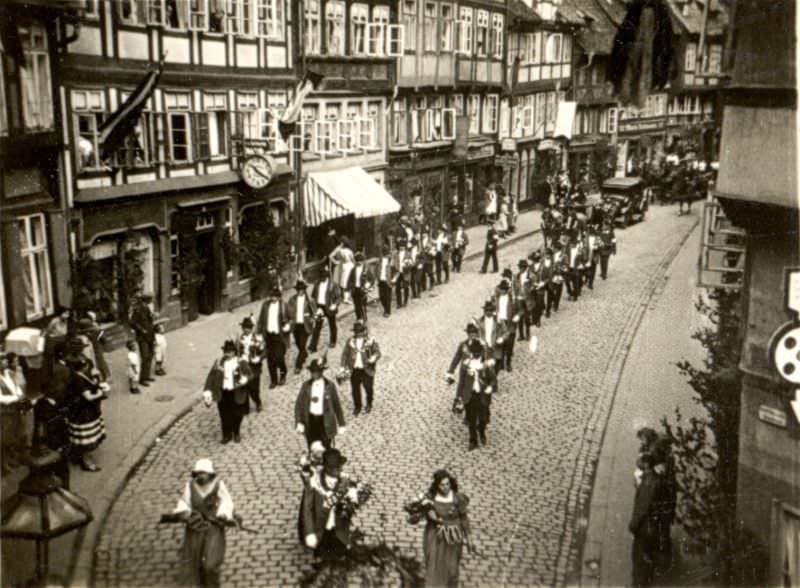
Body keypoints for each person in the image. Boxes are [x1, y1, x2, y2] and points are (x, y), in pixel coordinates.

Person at [171, 458, 235, 588]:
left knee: (210, 564)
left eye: (203, 473)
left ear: (210, 474)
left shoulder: (218, 485)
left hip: (213, 528)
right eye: (198, 473)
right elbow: (184, 502)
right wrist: (183, 511)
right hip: (195, 528)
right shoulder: (190, 485)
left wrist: (223, 513)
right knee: (195, 562)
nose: (200, 476)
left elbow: (227, 502)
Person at [300, 448, 352, 560]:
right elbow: (307, 509)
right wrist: (310, 533)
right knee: (322, 563)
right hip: (321, 532)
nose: (340, 469)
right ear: (328, 468)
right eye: (337, 467)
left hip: (339, 533)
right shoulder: (314, 483)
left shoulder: (345, 481)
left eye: (340, 466)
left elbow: (348, 509)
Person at [64, 338, 107, 471]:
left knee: (86, 430)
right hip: (81, 404)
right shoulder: (71, 364)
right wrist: (99, 392)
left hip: (89, 401)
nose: (83, 349)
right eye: (81, 347)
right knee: (85, 433)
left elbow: (92, 369)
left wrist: (95, 376)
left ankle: (79, 455)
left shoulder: (83, 359)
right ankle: (86, 460)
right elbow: (82, 390)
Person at [422, 470, 471, 586]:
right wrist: (431, 515)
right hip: (436, 537)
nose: (445, 487)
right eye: (442, 485)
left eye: (447, 484)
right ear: (437, 485)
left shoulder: (457, 498)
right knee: (435, 567)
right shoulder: (431, 498)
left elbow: (464, 518)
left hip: (453, 538)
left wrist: (469, 538)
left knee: (452, 569)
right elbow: (427, 512)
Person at [201, 340, 252, 444]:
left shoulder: (241, 362)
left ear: (234, 352)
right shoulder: (219, 362)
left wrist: (244, 380)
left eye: (230, 351)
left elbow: (250, 374)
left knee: (238, 414)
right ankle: (226, 435)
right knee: (224, 415)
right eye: (226, 351)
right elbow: (211, 376)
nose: (228, 354)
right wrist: (208, 391)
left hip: (236, 393)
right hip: (223, 393)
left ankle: (236, 432)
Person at [629, 452, 665, 588]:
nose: (638, 464)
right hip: (653, 526)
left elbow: (642, 508)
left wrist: (633, 525)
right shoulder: (654, 479)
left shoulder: (648, 483)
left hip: (645, 528)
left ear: (646, 464)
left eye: (641, 462)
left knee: (639, 559)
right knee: (646, 557)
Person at [32, 368, 72, 489]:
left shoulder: (56, 401)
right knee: (59, 471)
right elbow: (46, 428)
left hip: (61, 441)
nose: (59, 389)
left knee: (63, 470)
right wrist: (59, 447)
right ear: (49, 391)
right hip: (53, 445)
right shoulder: (42, 406)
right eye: (55, 388)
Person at [294, 358, 346, 449]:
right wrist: (299, 422)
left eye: (317, 371)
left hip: (325, 421)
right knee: (312, 447)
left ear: (322, 372)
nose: (314, 374)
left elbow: (337, 405)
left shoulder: (330, 385)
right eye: (312, 372)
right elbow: (299, 405)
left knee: (326, 447)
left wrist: (341, 424)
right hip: (310, 421)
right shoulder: (306, 386)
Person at [457, 339, 495, 450]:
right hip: (470, 395)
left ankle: (482, 432)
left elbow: (493, 380)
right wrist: (459, 397)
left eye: (478, 353)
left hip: (483, 395)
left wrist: (490, 387)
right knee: (471, 419)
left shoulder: (487, 364)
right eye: (474, 353)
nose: (476, 355)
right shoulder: (466, 364)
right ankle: (472, 440)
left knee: (483, 418)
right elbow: (461, 381)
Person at [340, 320, 381, 416]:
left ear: (364, 331)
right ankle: (357, 406)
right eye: (357, 332)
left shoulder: (370, 341)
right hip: (354, 369)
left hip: (366, 369)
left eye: (361, 332)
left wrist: (372, 358)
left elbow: (377, 352)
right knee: (355, 389)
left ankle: (369, 403)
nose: (359, 334)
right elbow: (345, 355)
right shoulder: (350, 341)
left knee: (368, 388)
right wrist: (342, 367)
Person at [0, 350, 29, 472]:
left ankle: (10, 459)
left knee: (14, 435)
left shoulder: (9, 373)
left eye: (5, 360)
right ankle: (4, 464)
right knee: (4, 439)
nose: (5, 362)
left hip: (14, 410)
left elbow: (16, 386)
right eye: (2, 360)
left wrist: (19, 394)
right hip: (4, 411)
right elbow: (1, 398)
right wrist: (16, 398)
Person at [256, 287, 290, 388]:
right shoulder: (265, 305)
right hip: (268, 336)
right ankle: (273, 380)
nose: (274, 298)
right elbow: (261, 320)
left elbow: (291, 318)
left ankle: (283, 373)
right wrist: (258, 333)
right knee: (270, 359)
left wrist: (288, 326)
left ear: (279, 297)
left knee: (279, 357)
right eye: (272, 296)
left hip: (279, 336)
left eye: (276, 296)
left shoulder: (284, 306)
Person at [309, 267, 342, 352]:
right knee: (317, 327)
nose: (322, 278)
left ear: (327, 276)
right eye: (321, 277)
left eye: (323, 277)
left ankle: (333, 341)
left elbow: (339, 297)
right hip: (320, 307)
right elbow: (313, 296)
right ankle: (313, 346)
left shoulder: (333, 285)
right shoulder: (317, 283)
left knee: (332, 325)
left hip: (329, 307)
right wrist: (315, 308)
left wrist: (335, 305)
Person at [287, 280, 316, 375]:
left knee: (302, 345)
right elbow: (289, 311)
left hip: (305, 326)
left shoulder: (309, 300)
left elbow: (314, 313)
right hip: (296, 326)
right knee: (299, 344)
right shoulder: (292, 300)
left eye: (302, 289)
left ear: (304, 290)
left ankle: (298, 366)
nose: (300, 291)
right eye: (298, 289)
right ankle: (304, 354)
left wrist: (312, 318)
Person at [235, 317, 264, 411]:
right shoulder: (239, 339)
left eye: (248, 327)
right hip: (244, 366)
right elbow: (236, 352)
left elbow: (264, 351)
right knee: (245, 386)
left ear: (251, 328)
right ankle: (245, 407)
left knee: (254, 387)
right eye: (244, 327)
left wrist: (259, 358)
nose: (246, 329)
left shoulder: (257, 338)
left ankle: (258, 402)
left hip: (254, 366)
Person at [130, 292, 156, 387]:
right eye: (151, 299)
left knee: (150, 356)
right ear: (147, 299)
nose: (152, 300)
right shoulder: (138, 309)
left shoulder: (147, 308)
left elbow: (149, 320)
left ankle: (147, 376)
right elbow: (132, 322)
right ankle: (142, 379)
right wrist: (142, 330)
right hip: (142, 337)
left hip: (150, 335)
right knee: (145, 357)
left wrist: (153, 317)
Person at [476, 300, 506, 373]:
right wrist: (480, 339)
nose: (488, 312)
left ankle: (494, 378)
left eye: (490, 310)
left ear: (493, 311)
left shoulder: (499, 321)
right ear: (484, 311)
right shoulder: (480, 321)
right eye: (487, 310)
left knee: (496, 366)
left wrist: (502, 338)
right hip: (485, 347)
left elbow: (506, 332)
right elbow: (477, 333)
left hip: (496, 346)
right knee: (486, 366)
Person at [494, 280, 517, 372]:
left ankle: (508, 363)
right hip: (500, 323)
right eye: (501, 289)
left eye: (504, 289)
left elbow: (519, 310)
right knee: (501, 343)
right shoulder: (497, 298)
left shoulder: (512, 300)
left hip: (509, 323)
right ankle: (501, 363)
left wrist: (517, 317)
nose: (502, 291)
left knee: (509, 345)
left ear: (507, 290)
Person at [347, 253, 374, 323]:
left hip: (363, 290)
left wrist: (368, 285)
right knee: (356, 305)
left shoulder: (366, 269)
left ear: (362, 261)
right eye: (357, 261)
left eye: (360, 261)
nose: (359, 262)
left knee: (363, 305)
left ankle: (364, 319)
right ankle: (359, 318)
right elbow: (350, 279)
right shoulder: (353, 269)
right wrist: (349, 288)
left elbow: (372, 279)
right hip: (355, 289)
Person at [331, 237, 355, 304]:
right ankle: (346, 298)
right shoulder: (349, 251)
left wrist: (336, 261)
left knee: (343, 282)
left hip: (343, 266)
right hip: (349, 266)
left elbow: (331, 256)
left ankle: (344, 296)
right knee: (347, 282)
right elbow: (353, 260)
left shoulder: (339, 250)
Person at [528, 251, 548, 328]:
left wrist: (543, 283)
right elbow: (528, 277)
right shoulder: (530, 267)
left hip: (540, 289)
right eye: (534, 259)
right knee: (533, 304)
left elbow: (547, 278)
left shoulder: (544, 267)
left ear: (539, 259)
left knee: (539, 304)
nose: (535, 260)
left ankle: (538, 320)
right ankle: (533, 319)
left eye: (537, 259)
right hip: (532, 288)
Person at [565, 232, 587, 301]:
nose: (570, 245)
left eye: (572, 244)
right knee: (567, 281)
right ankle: (570, 292)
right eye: (570, 244)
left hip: (577, 269)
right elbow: (565, 257)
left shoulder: (580, 250)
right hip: (569, 268)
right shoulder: (568, 249)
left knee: (576, 282)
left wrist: (582, 265)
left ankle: (575, 295)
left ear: (575, 244)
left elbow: (584, 259)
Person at [514, 260, 532, 341]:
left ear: (525, 268)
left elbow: (534, 287)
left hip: (527, 299)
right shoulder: (516, 276)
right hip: (519, 299)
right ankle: (521, 335)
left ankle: (528, 334)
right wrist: (516, 296)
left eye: (522, 267)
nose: (521, 269)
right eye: (520, 267)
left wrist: (529, 288)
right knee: (520, 318)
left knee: (527, 318)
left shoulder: (531, 276)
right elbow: (514, 287)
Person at [376, 245, 395, 317]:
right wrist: (377, 277)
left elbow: (395, 271)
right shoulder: (380, 260)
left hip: (388, 281)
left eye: (386, 253)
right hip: (381, 280)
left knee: (387, 297)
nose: (386, 255)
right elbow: (377, 269)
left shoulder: (391, 261)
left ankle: (388, 311)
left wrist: (393, 279)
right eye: (384, 253)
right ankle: (385, 308)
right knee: (381, 297)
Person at [393, 240, 412, 309]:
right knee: (397, 288)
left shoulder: (408, 254)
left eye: (403, 246)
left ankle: (405, 301)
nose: (401, 247)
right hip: (398, 272)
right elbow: (394, 263)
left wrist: (407, 264)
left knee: (406, 287)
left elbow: (411, 263)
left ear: (405, 247)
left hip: (405, 273)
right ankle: (399, 303)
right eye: (400, 246)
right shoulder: (396, 254)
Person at [583, 226, 600, 290]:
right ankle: (587, 279)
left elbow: (599, 246)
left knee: (593, 270)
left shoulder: (597, 238)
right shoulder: (585, 239)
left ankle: (591, 283)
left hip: (594, 257)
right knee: (586, 269)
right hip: (586, 256)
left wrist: (596, 247)